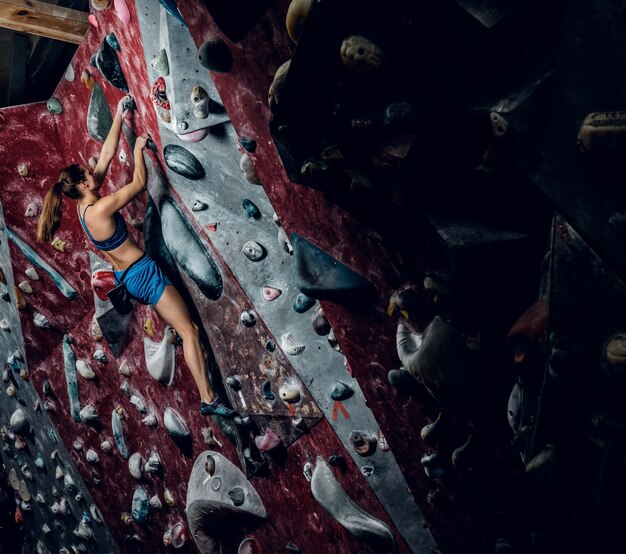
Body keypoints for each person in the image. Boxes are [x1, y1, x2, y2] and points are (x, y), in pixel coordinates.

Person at [36, 95, 235, 418]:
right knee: (189, 332)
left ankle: (209, 397)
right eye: (88, 172)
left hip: (135, 275)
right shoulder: (99, 209)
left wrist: (119, 114)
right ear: (83, 184)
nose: (93, 170)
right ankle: (208, 399)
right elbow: (140, 183)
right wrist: (139, 149)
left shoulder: (85, 205)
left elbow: (106, 154)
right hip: (142, 274)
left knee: (190, 331)